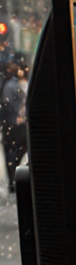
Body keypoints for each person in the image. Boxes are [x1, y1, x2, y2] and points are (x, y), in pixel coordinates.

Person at [0, 57, 27, 198]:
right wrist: (17, 118)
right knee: (14, 153)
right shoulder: (10, 85)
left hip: (11, 125)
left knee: (14, 153)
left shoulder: (10, 84)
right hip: (12, 125)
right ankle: (12, 182)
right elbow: (9, 105)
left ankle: (12, 181)